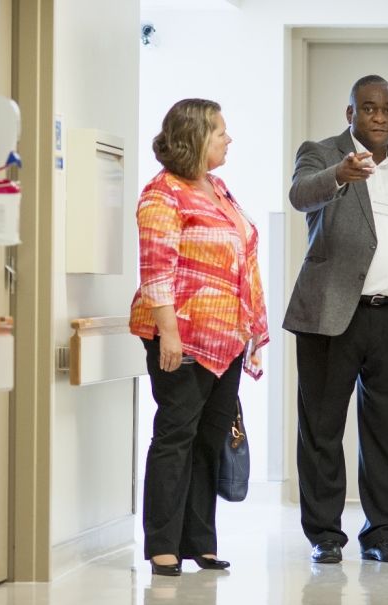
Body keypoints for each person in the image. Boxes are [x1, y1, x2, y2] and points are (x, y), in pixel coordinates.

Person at [285, 75, 388, 565]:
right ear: (350, 113)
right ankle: (325, 535)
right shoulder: (321, 153)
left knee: (386, 432)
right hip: (331, 316)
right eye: (370, 107)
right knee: (322, 430)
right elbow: (300, 195)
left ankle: (382, 533)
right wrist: (340, 174)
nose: (380, 116)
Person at [130, 98, 269, 577]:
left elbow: (242, 257)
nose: (229, 139)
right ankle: (162, 545)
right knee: (176, 436)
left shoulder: (218, 187)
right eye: (220, 132)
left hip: (225, 339)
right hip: (181, 338)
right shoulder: (162, 194)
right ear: (195, 137)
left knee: (210, 438)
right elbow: (156, 271)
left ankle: (200, 542)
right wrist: (168, 335)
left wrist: (249, 329)